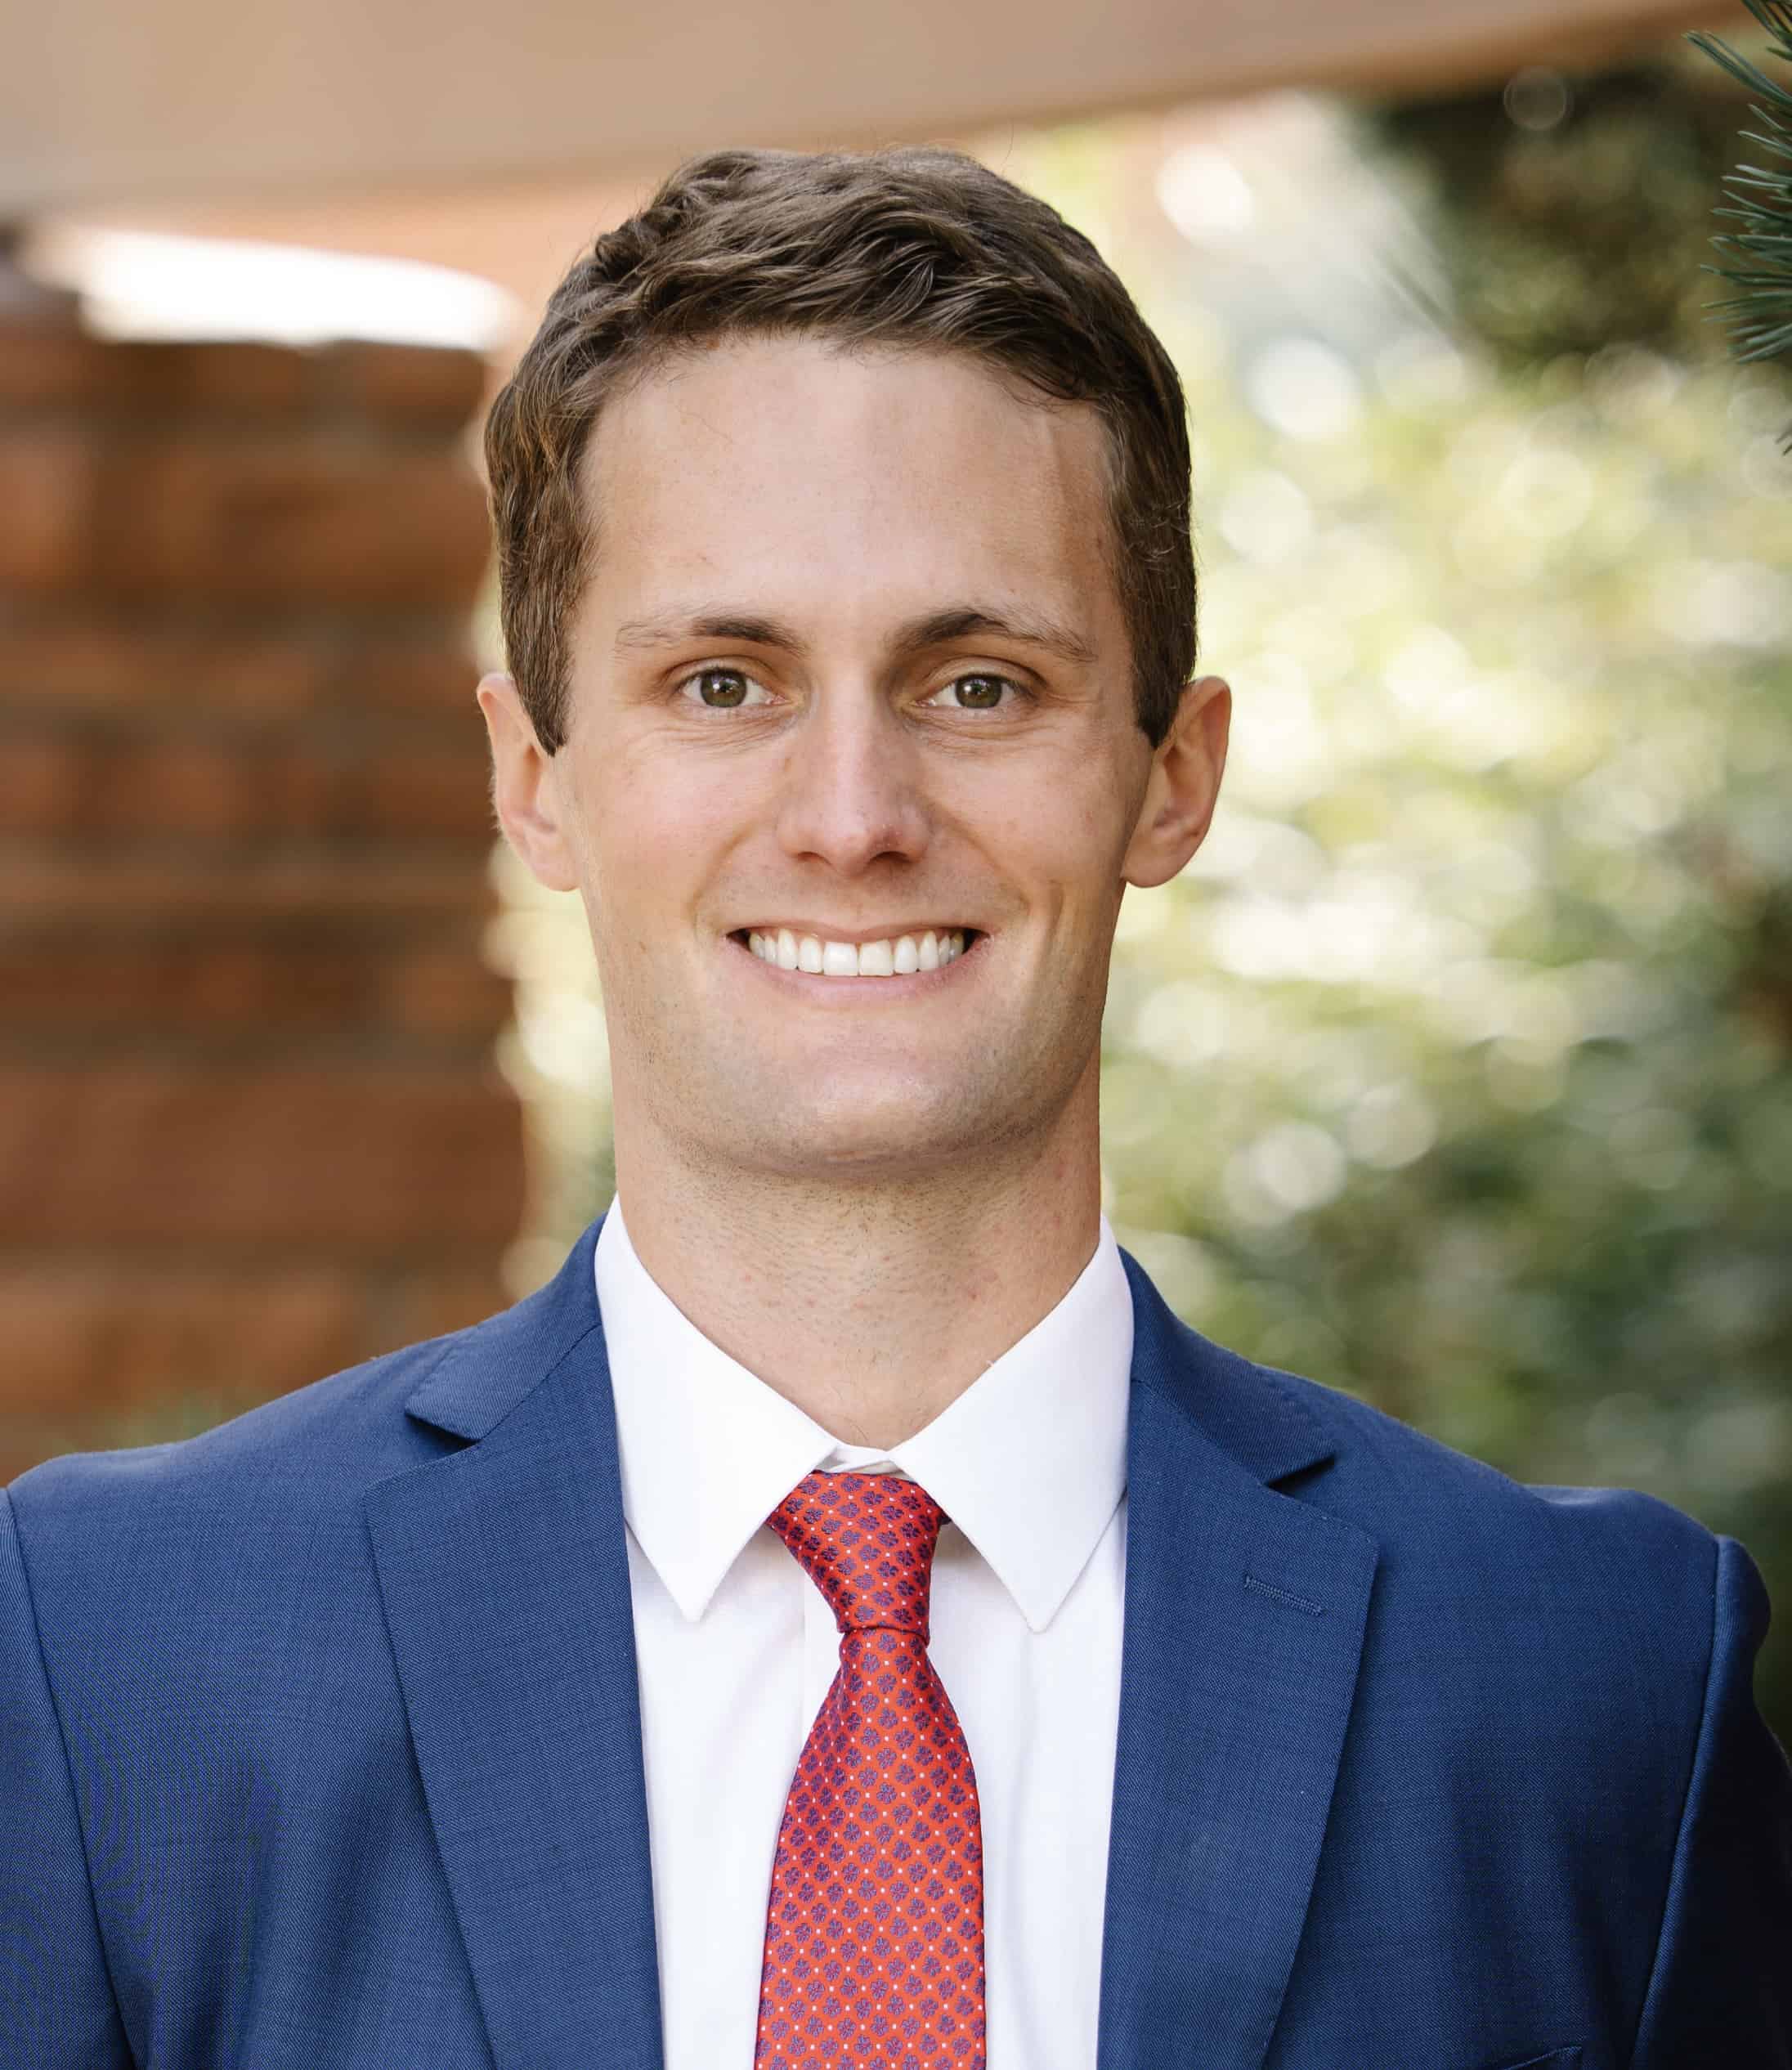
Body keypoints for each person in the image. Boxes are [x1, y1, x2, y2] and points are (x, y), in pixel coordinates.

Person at [2, 145, 1788, 2070]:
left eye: (978, 685)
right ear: (536, 780)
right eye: (720, 681)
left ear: (1170, 776)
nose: (852, 817)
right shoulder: (116, 1657)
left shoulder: (1588, 1688)